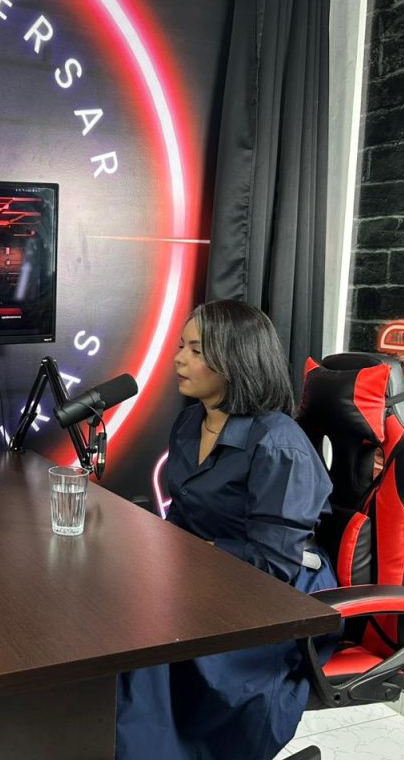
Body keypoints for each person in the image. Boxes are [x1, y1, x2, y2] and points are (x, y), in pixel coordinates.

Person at [116, 300, 338, 760]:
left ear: (236, 360)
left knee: (146, 644)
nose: (178, 359)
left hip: (275, 597)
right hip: (207, 574)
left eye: (196, 350)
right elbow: (184, 518)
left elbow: (274, 564)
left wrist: (189, 558)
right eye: (181, 346)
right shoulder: (189, 422)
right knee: (116, 613)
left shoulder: (278, 445)